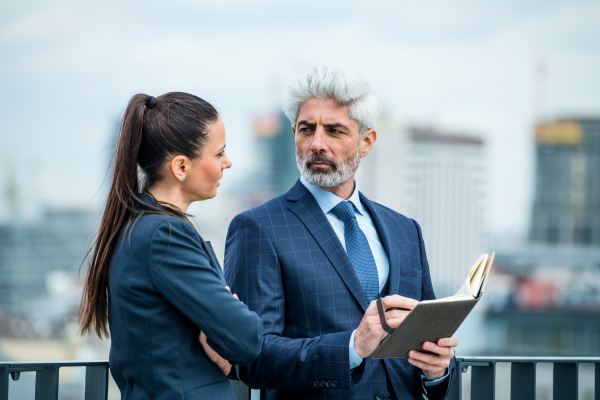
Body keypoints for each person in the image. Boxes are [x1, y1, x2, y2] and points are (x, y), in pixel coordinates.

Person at [220, 65, 458, 399]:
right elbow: (250, 356)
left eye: (334, 131)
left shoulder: (405, 231)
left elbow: (429, 340)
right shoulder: (258, 228)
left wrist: (438, 370)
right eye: (306, 129)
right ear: (293, 135)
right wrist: (351, 347)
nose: (317, 143)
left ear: (367, 142)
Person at [79, 92, 263, 399]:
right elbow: (246, 337)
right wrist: (223, 323)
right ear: (181, 167)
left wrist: (217, 324)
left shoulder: (140, 228)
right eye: (219, 154)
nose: (227, 163)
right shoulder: (163, 235)